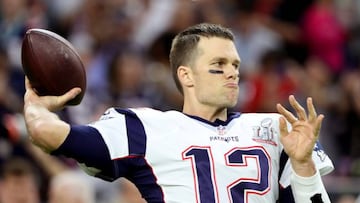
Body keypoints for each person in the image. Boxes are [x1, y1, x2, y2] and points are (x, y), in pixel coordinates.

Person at [23, 23, 334, 202]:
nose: (232, 74)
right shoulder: (144, 127)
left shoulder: (275, 126)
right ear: (186, 75)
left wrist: (303, 163)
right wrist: (37, 108)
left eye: (236, 66)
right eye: (218, 66)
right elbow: (50, 135)